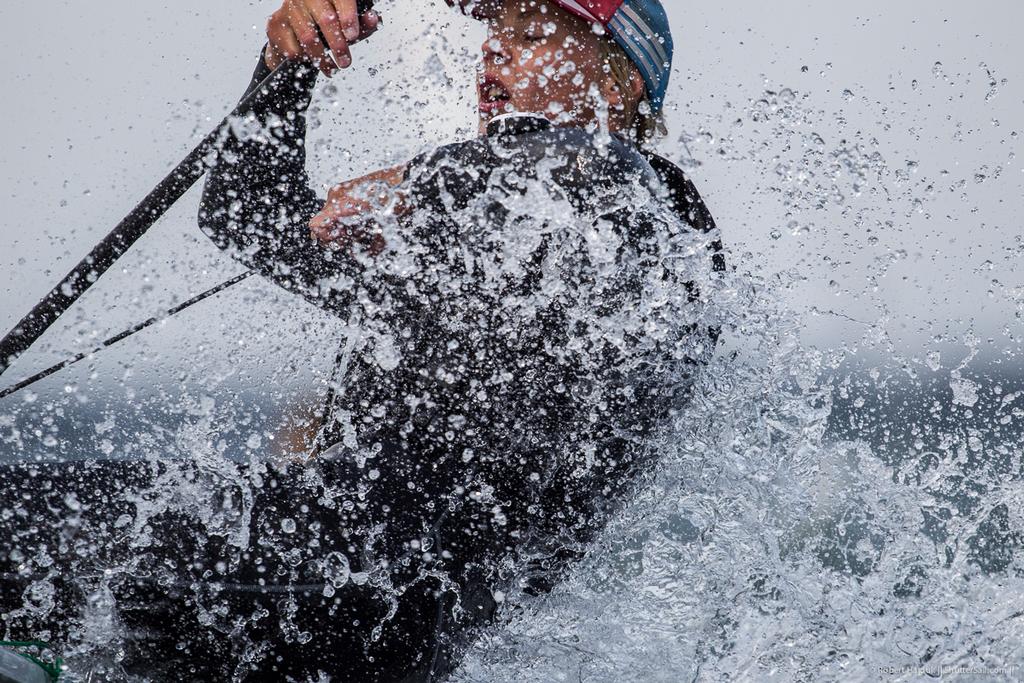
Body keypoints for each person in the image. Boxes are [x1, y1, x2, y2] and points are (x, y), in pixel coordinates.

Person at [1, 1, 723, 680]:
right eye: (495, 30)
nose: (495, 49)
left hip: (381, 594)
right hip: (322, 574)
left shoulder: (650, 228)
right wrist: (289, 63)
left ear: (621, 82)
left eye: (531, 36)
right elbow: (244, 209)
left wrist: (423, 180)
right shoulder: (470, 238)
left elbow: (588, 169)